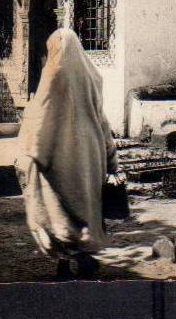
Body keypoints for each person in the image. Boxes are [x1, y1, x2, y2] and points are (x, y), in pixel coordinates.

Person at [15, 27, 121, 279]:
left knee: (56, 209)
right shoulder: (92, 76)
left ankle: (65, 261)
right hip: (89, 153)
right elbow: (102, 120)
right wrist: (111, 158)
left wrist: (32, 152)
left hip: (59, 153)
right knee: (85, 208)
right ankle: (82, 256)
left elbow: (39, 115)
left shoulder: (53, 74)